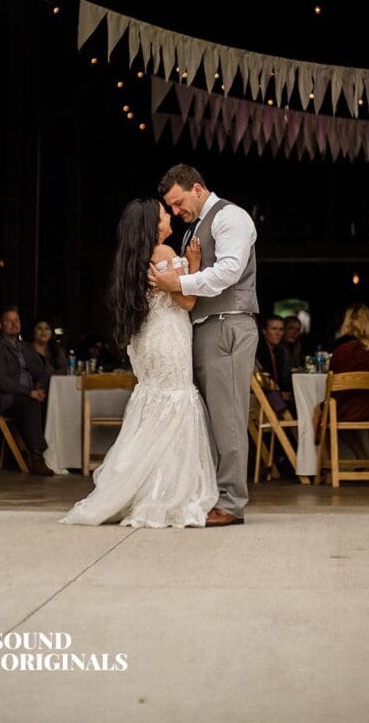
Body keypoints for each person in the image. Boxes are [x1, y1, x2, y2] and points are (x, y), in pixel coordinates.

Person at [60, 198, 217, 528]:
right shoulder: (164, 253)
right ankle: (164, 491)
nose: (169, 215)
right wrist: (195, 263)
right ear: (154, 225)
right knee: (174, 402)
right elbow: (186, 300)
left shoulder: (132, 259)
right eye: (163, 213)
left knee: (153, 404)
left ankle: (135, 485)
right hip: (169, 337)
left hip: (146, 340)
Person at [148, 164, 258, 527]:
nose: (176, 212)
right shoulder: (197, 227)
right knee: (211, 420)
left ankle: (231, 502)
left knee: (228, 418)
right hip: (206, 327)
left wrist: (179, 284)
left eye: (178, 203)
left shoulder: (230, 217)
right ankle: (214, 495)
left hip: (227, 324)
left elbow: (229, 271)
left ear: (197, 188)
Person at [0, 307, 53, 476]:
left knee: (52, 401)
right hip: (8, 398)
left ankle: (61, 456)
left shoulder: (26, 348)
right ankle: (37, 457)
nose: (14, 324)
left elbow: (40, 371)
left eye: (17, 320)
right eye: (9, 321)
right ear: (0, 325)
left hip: (29, 393)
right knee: (31, 404)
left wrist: (40, 388)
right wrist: (28, 392)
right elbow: (0, 382)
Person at [328, 303, 369, 425]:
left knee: (318, 410)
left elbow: (332, 387)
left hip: (344, 411)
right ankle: (365, 445)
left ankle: (316, 444)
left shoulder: (341, 350)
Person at [256, 315, 295, 413]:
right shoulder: (259, 350)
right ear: (264, 331)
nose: (278, 333)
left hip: (275, 393)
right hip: (266, 394)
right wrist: (280, 394)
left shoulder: (279, 351)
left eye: (281, 330)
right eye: (274, 329)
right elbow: (264, 379)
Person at [28, 317, 67, 385]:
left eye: (47, 328)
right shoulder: (26, 350)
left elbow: (64, 370)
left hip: (55, 388)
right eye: (39, 328)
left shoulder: (57, 351)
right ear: (33, 331)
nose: (43, 332)